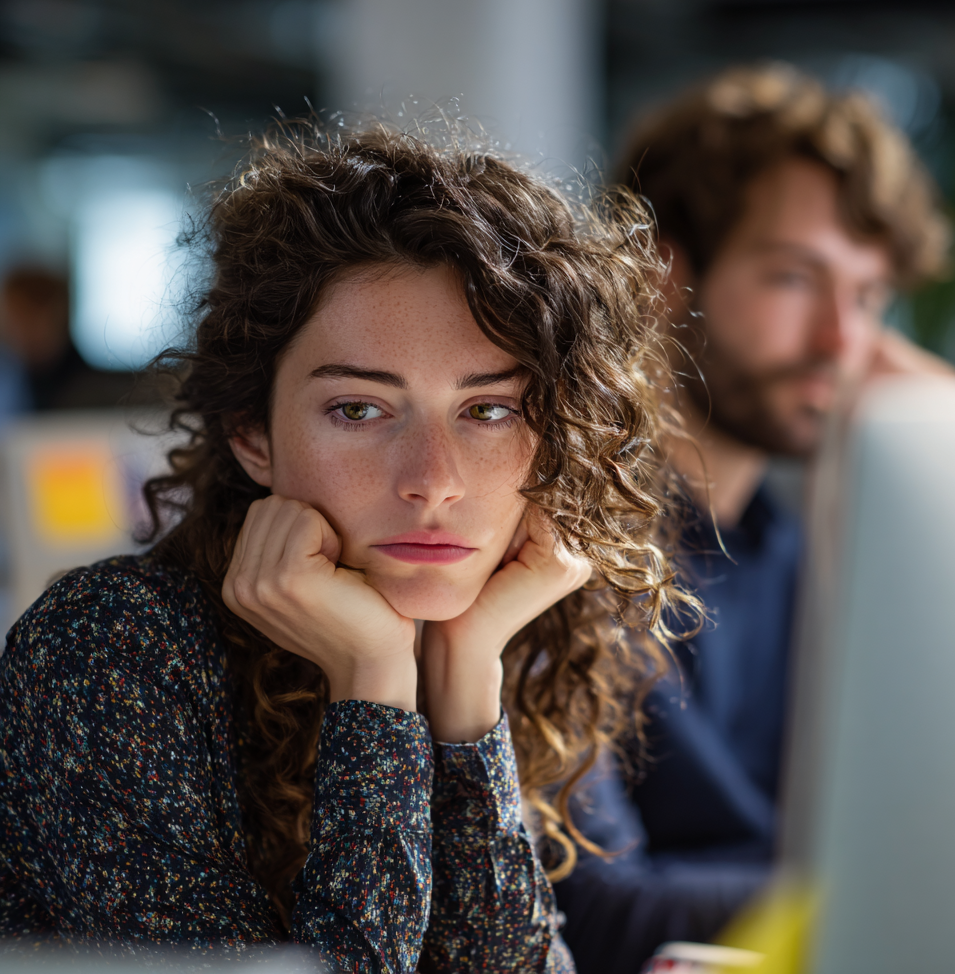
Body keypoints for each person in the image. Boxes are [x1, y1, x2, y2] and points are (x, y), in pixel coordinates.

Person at [0, 124, 695, 971]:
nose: (433, 480)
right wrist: (372, 684)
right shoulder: (110, 645)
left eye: (489, 410)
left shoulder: (496, 628)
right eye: (359, 410)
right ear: (252, 434)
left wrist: (466, 675)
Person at [554, 63, 955, 974]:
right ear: (662, 274)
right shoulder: (561, 546)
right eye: (792, 279)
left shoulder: (791, 548)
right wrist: (899, 883)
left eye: (865, 297)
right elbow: (589, 913)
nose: (840, 343)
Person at [0, 266, 137, 410]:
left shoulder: (89, 392)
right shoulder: (16, 379)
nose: (9, 329)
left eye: (21, 318)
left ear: (54, 315)